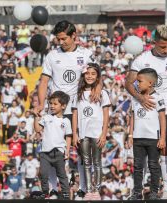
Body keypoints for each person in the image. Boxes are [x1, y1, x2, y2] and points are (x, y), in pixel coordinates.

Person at [125, 24, 167, 199]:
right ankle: (139, 190)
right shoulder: (141, 59)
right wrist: (141, 98)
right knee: (145, 158)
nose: (166, 49)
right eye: (163, 46)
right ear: (154, 42)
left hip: (166, 112)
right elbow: (129, 83)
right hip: (145, 114)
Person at [36, 20, 101, 197]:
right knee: (51, 150)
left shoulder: (86, 54)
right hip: (57, 109)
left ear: (74, 36)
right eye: (58, 39)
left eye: (64, 38)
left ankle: (84, 189)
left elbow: (97, 75)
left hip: (78, 109)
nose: (61, 42)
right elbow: (44, 82)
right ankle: (51, 190)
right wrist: (41, 104)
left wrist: (97, 90)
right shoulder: (51, 56)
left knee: (82, 149)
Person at [72, 63, 110, 200]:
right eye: (87, 73)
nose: (90, 76)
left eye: (93, 74)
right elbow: (75, 114)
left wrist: (104, 133)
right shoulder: (78, 94)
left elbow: (106, 115)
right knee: (86, 163)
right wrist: (75, 133)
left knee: (97, 162)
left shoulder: (103, 93)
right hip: (83, 134)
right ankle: (88, 190)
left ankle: (96, 190)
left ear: (98, 76)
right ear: (83, 75)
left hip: (97, 133)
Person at [128, 68, 166, 200]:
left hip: (153, 139)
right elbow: (132, 116)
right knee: (138, 166)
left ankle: (154, 192)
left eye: (140, 81)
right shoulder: (135, 98)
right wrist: (130, 135)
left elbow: (162, 118)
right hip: (138, 138)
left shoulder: (158, 97)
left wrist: (162, 137)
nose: (137, 84)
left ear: (150, 83)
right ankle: (137, 192)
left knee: (153, 165)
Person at [33, 91, 72, 199]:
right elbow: (37, 129)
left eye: (55, 104)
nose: (52, 106)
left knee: (62, 175)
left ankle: (66, 194)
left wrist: (67, 150)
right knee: (43, 174)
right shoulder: (46, 117)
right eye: (51, 103)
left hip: (59, 152)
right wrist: (36, 117)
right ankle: (45, 193)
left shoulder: (66, 121)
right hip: (45, 152)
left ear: (63, 106)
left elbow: (68, 136)